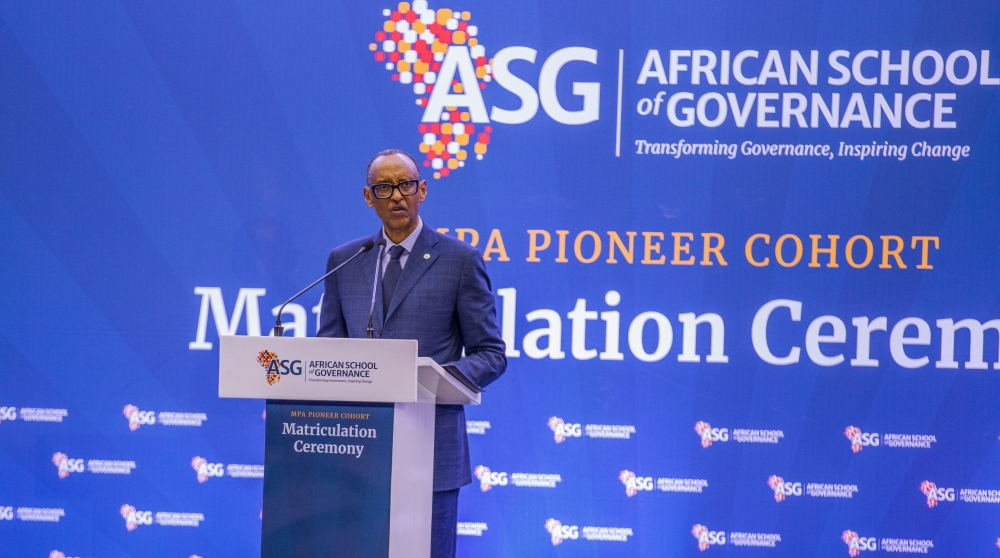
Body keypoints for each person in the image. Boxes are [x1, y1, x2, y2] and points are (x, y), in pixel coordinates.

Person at [318, 149, 507, 557]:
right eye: (384, 188)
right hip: (357, 451)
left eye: (405, 185)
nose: (397, 196)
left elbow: (491, 353)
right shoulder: (345, 261)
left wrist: (434, 379)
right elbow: (329, 353)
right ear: (368, 197)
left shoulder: (459, 260)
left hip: (430, 449)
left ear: (422, 190)